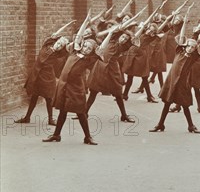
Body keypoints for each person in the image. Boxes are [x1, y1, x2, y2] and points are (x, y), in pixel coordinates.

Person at [42, 13, 109, 145]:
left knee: (81, 112)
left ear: (91, 52)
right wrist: (85, 20)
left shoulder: (89, 59)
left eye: (89, 49)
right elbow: (79, 36)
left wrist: (110, 34)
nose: (86, 49)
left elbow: (101, 49)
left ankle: (87, 137)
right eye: (85, 46)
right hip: (63, 86)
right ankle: (56, 135)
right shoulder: (73, 51)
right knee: (63, 111)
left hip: (76, 88)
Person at [149, 3, 200, 134]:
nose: (190, 48)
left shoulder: (193, 57)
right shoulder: (179, 51)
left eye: (192, 47)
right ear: (185, 46)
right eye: (189, 46)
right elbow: (182, 35)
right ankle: (160, 124)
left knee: (185, 106)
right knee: (167, 104)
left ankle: (191, 125)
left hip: (182, 84)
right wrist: (185, 20)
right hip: (171, 81)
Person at [16, 20, 74, 125]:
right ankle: (27, 117)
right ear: (56, 41)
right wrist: (67, 25)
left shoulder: (58, 54)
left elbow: (69, 48)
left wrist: (71, 41)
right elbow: (55, 34)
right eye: (58, 43)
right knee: (34, 96)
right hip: (37, 75)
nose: (58, 45)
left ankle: (50, 119)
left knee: (48, 98)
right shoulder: (46, 44)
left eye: (61, 46)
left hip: (47, 77)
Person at [85, 23, 138, 123]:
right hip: (100, 67)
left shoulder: (123, 47)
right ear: (119, 36)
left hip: (112, 69)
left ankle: (124, 115)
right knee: (94, 91)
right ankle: (85, 112)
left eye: (125, 39)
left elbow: (133, 40)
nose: (123, 40)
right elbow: (118, 29)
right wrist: (130, 23)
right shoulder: (112, 39)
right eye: (123, 37)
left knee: (118, 92)